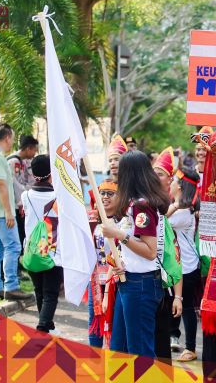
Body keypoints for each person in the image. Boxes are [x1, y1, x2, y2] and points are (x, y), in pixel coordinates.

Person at [101, 150, 170, 357]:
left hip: (140, 284)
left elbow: (149, 251)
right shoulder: (137, 204)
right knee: (119, 349)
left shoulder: (142, 206)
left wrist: (119, 234)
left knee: (139, 352)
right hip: (130, 280)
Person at [0, 123, 32, 301]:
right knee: (13, 247)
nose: (12, 143)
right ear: (7, 138)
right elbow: (1, 186)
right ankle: (11, 286)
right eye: (12, 138)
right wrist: (9, 212)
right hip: (1, 213)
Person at [21, 155, 62, 333]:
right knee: (50, 293)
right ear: (51, 173)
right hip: (53, 251)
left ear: (33, 173)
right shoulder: (58, 196)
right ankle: (43, 327)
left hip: (32, 250)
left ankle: (48, 326)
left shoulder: (26, 196)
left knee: (39, 291)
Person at [152, 147, 183, 362]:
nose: (155, 177)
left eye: (160, 173)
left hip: (162, 287)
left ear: (170, 179)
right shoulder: (144, 203)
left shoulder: (165, 211)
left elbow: (174, 258)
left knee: (161, 345)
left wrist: (178, 297)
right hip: (142, 285)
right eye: (153, 172)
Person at [167, 168, 201, 362]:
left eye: (173, 180)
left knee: (186, 307)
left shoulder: (183, 211)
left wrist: (175, 204)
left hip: (185, 266)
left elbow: (159, 223)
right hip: (179, 265)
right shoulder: (181, 208)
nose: (170, 183)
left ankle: (190, 347)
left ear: (179, 186)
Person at [87, 179, 118, 348]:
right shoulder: (93, 221)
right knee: (95, 319)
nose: (105, 197)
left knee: (114, 322)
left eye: (110, 194)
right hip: (96, 280)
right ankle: (94, 358)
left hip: (115, 281)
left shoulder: (124, 222)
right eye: (102, 193)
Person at [8, 135, 39, 248]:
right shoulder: (14, 161)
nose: (34, 153)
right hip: (15, 204)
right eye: (34, 150)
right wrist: (21, 202)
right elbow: (15, 184)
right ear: (28, 148)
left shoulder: (21, 161)